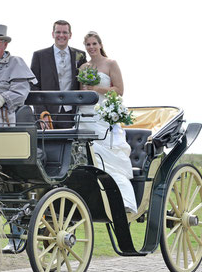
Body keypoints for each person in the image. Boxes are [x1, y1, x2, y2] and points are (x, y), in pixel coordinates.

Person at [78, 31, 137, 214]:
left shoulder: (111, 64)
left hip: (104, 114)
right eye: (88, 44)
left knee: (108, 159)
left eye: (94, 44)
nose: (91, 47)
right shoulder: (83, 67)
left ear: (100, 45)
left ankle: (124, 200)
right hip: (86, 114)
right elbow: (83, 94)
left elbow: (119, 90)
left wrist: (97, 89)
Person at [30, 20, 88, 128]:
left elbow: (84, 83)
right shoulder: (39, 55)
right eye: (58, 32)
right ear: (53, 34)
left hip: (70, 113)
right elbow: (33, 86)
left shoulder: (80, 55)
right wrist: (42, 113)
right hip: (47, 113)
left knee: (69, 144)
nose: (61, 35)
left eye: (65, 32)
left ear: (70, 35)